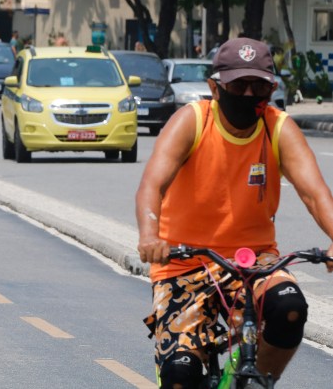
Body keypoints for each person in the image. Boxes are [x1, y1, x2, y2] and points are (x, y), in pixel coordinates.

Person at [135, 37, 333, 388]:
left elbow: (315, 195)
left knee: (290, 309)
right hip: (184, 262)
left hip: (255, 262)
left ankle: (256, 383)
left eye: (259, 85)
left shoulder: (278, 128)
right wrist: (151, 236)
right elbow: (153, 184)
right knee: (181, 373)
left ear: (272, 88)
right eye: (238, 85)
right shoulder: (192, 121)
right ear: (215, 87)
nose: (248, 94)